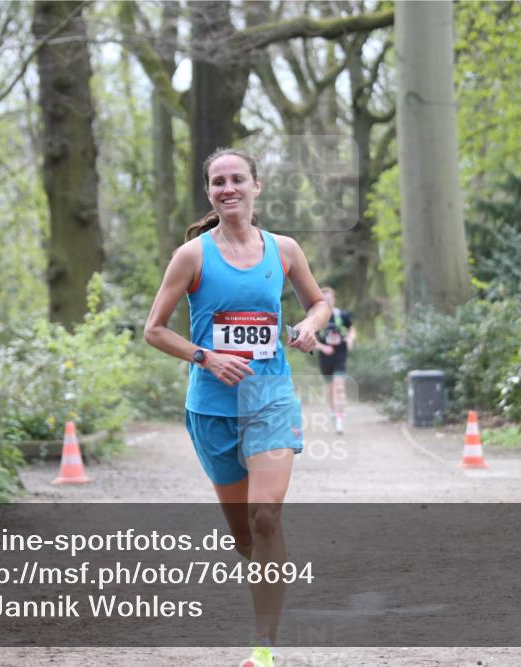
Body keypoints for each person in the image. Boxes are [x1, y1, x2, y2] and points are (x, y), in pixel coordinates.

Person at [144, 148, 330, 667]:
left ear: (256, 186)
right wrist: (206, 356)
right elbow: (153, 330)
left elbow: (319, 302)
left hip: (270, 396)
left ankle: (263, 648)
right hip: (212, 408)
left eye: (237, 179)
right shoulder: (193, 257)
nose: (229, 188)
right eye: (218, 182)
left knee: (266, 517)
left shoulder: (284, 249)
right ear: (209, 192)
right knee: (246, 537)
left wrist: (310, 327)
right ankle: (266, 577)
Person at [315, 287, 356, 434]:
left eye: (330, 298)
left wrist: (350, 339)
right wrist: (323, 347)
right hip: (325, 357)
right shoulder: (317, 317)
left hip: (340, 353)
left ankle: (340, 418)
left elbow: (351, 329)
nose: (327, 301)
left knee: (339, 386)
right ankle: (333, 412)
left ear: (334, 299)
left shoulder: (341, 315)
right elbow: (311, 337)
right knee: (330, 389)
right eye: (324, 299)